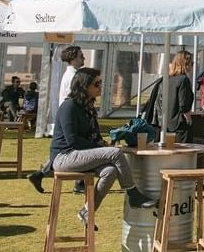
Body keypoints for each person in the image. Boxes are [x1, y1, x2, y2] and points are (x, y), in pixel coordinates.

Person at [50, 68, 156, 227]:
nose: (100, 86)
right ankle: (133, 194)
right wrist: (101, 148)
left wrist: (102, 143)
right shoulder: (69, 107)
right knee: (114, 153)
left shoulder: (89, 108)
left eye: (101, 82)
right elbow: (72, 141)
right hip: (64, 157)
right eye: (96, 83)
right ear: (84, 85)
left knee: (111, 171)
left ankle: (87, 211)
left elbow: (95, 136)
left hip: (80, 155)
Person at [28, 45, 86, 193]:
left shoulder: (72, 74)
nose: (84, 58)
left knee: (69, 149)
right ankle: (79, 183)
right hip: (70, 118)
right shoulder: (73, 76)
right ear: (73, 58)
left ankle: (41, 175)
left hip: (69, 117)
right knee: (74, 148)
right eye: (81, 56)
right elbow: (74, 99)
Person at [143, 51, 195, 143]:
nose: (192, 65)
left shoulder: (164, 80)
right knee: (181, 153)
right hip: (178, 124)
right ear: (186, 64)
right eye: (192, 63)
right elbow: (183, 104)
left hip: (162, 124)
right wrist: (188, 118)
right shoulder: (183, 80)